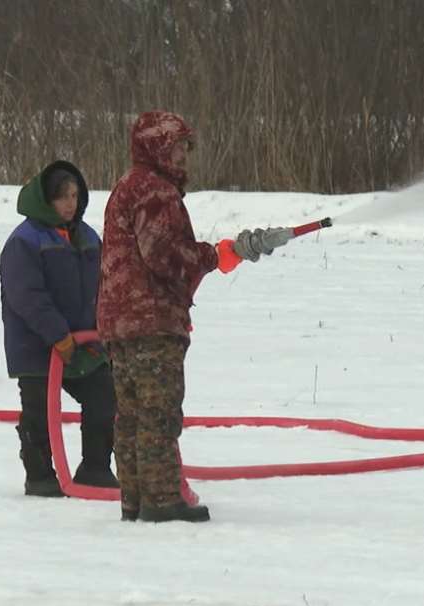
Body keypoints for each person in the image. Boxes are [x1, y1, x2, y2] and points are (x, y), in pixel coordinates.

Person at [98, 110, 292, 523]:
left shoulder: (127, 187)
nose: (185, 154)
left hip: (121, 322)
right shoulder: (154, 190)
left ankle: (134, 500)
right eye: (178, 145)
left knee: (131, 415)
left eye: (186, 146)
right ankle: (162, 500)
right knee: (157, 412)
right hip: (151, 321)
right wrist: (213, 255)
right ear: (158, 146)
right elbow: (164, 255)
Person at [0, 160, 119, 497]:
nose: (70, 203)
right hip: (37, 346)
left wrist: (101, 330)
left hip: (83, 343)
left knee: (104, 395)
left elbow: (104, 287)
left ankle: (95, 468)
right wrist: (57, 334)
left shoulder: (88, 237)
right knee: (39, 411)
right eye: (63, 197)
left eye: (75, 196)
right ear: (46, 200)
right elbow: (28, 296)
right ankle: (40, 476)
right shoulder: (25, 241)